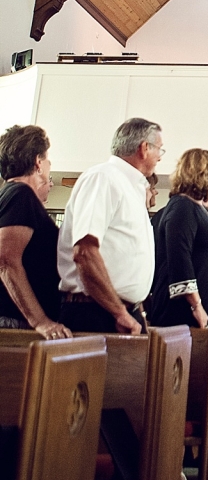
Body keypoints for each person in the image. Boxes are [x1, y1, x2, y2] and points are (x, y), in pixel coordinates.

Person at [57, 117, 162, 334]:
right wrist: (119, 312)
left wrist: (135, 309)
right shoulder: (103, 178)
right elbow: (85, 252)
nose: (160, 157)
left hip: (121, 311)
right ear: (144, 148)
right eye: (159, 150)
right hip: (96, 311)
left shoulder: (132, 187)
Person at [0, 124, 69, 337]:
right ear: (38, 162)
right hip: (16, 321)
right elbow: (6, 261)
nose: (49, 166)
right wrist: (40, 321)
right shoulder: (20, 194)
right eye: (48, 160)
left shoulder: (13, 194)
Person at [150, 149, 208, 328]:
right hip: (182, 310)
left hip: (202, 308)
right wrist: (196, 306)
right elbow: (180, 260)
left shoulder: (200, 210)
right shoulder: (182, 207)